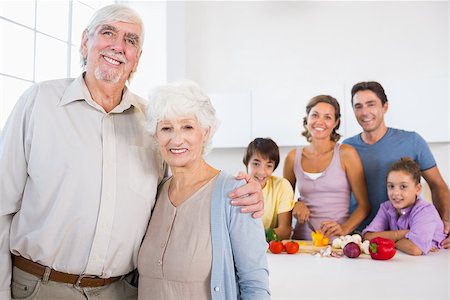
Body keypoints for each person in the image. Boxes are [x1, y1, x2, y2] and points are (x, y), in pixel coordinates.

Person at [0, 5, 263, 300]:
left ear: (137, 58)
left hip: (120, 291)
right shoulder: (39, 103)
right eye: (108, 32)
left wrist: (241, 192)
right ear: (86, 41)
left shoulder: (151, 119)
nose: (118, 46)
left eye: (131, 40)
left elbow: (187, 175)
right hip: (39, 287)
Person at [137, 80, 270, 299]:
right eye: (166, 128)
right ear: (155, 135)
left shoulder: (235, 193)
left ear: (206, 131)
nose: (177, 139)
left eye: (187, 127)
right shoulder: (155, 192)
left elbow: (255, 285)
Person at [343, 81, 450, 248]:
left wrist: (445, 224)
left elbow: (438, 186)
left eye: (371, 104)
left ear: (385, 107)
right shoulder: (346, 147)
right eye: (358, 106)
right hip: (360, 237)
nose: (364, 112)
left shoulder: (413, 141)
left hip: (407, 239)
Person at [283, 95, 370, 240]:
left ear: (336, 122)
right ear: (307, 120)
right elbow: (283, 201)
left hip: (337, 244)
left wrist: (344, 229)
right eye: (315, 115)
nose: (320, 122)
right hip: (301, 243)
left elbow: (364, 205)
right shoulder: (293, 157)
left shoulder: (346, 154)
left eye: (328, 117)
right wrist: (294, 205)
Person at [362, 157, 447, 255]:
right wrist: (402, 234)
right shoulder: (386, 207)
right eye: (391, 186)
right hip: (405, 260)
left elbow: (414, 249)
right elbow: (368, 237)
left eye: (403, 187)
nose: (396, 193)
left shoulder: (425, 211)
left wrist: (390, 240)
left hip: (437, 260)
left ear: (418, 189)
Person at [243, 138, 294, 241]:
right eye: (256, 164)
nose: (262, 172)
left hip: (271, 250)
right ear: (247, 163)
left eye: (269, 165)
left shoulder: (281, 186)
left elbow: (285, 231)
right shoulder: (235, 188)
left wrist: (252, 239)